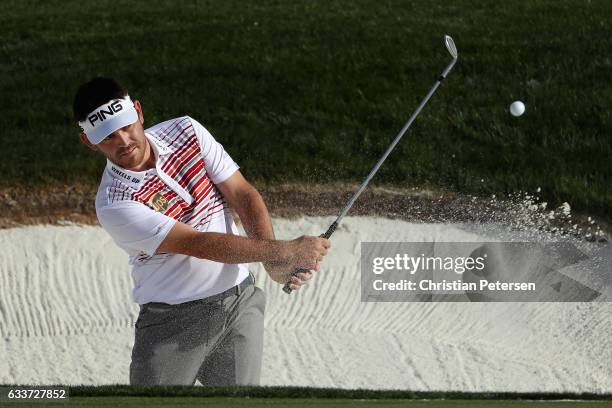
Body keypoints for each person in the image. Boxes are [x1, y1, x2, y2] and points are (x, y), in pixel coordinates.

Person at [72, 77, 330, 386]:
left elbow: (241, 194)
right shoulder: (114, 202)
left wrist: (273, 264)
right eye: (108, 137)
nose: (124, 141)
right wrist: (284, 251)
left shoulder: (186, 131)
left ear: (138, 112)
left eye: (126, 126)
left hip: (238, 303)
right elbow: (198, 244)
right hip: (172, 324)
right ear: (89, 142)